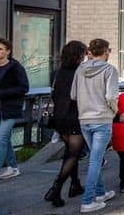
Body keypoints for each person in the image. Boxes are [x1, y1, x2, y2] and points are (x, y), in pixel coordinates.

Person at [70, 39, 119, 213]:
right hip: (102, 118)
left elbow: (73, 95)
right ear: (106, 51)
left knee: (94, 158)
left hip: (84, 118)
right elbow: (111, 96)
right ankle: (88, 201)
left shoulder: (80, 69)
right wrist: (114, 111)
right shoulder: (109, 70)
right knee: (95, 160)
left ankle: (100, 193)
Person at [44, 41, 88, 207]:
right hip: (76, 116)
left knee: (71, 152)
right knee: (72, 155)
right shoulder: (81, 72)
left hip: (59, 118)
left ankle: (75, 184)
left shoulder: (56, 72)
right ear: (79, 55)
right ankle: (56, 188)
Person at [0, 38, 29, 187]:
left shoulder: (16, 68)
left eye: (0, 49)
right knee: (5, 140)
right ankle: (13, 167)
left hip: (11, 109)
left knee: (0, 140)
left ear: (7, 51)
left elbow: (24, 88)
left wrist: (0, 93)